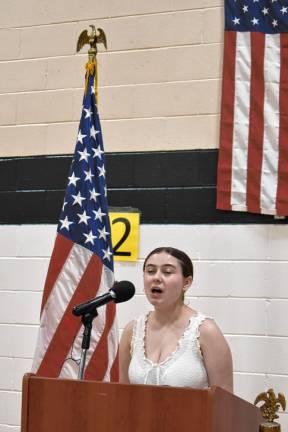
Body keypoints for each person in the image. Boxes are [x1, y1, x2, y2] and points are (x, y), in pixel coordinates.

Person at [119, 247, 233, 392]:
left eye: (167, 272)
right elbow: (122, 395)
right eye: (150, 271)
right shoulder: (132, 330)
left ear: (186, 283)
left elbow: (225, 404)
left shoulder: (205, 331)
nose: (156, 278)